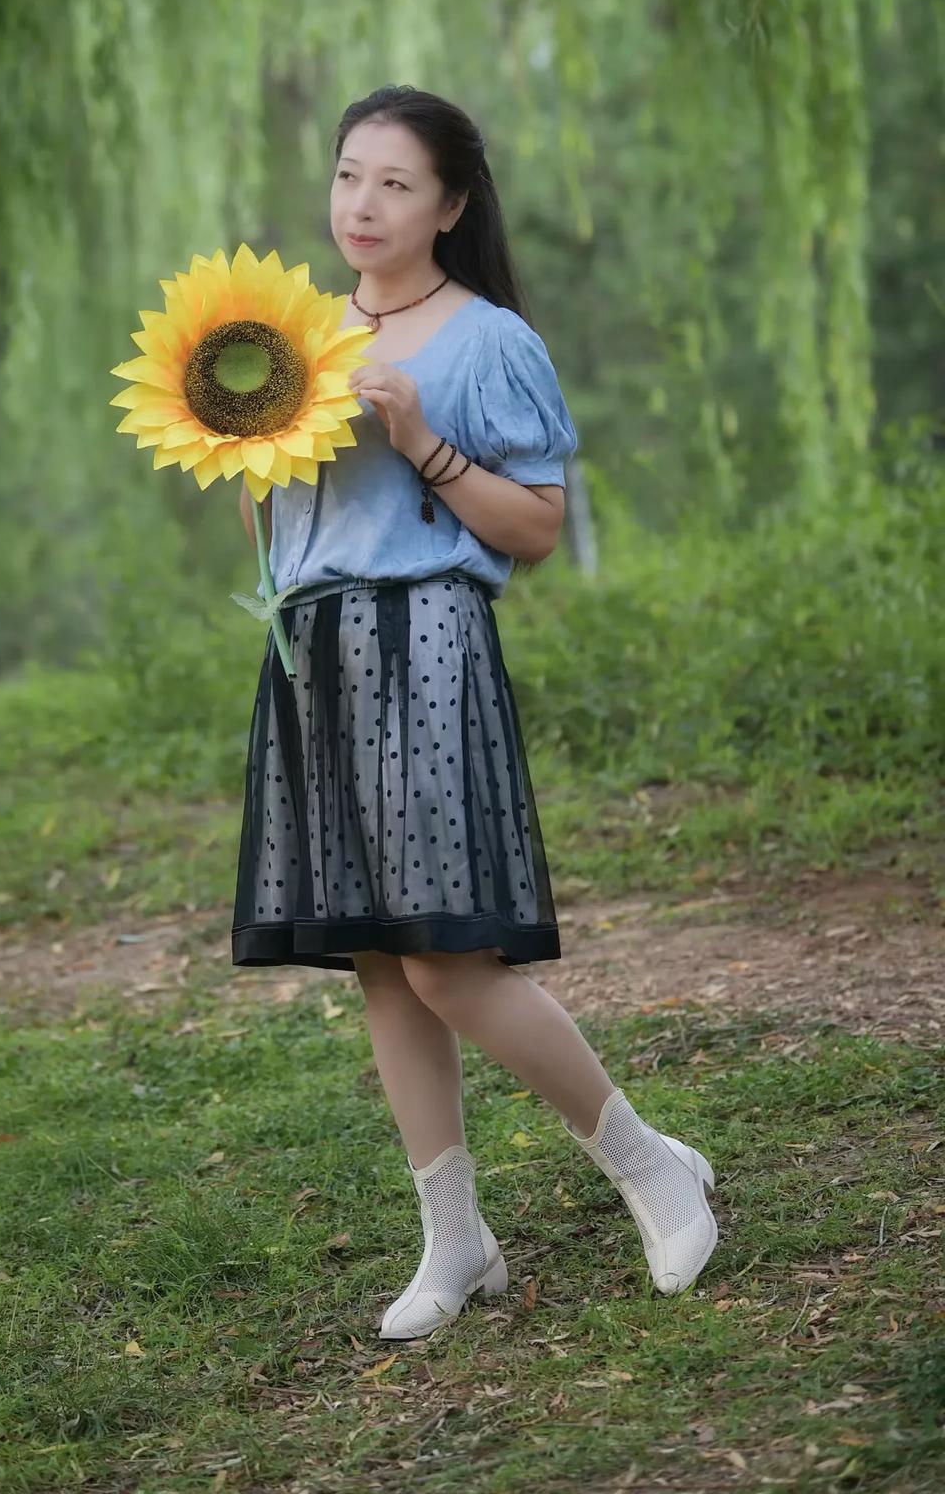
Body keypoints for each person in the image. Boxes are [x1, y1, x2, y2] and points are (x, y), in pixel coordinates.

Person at [233, 86, 718, 1339]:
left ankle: (646, 1164)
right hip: (312, 652)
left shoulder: (487, 338)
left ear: (449, 205)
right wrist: (243, 455)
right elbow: (286, 520)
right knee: (385, 968)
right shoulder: (292, 338)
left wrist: (422, 441)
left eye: (395, 183)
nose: (363, 204)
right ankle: (454, 1243)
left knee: (450, 957)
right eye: (349, 176)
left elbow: (538, 529)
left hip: (427, 641)